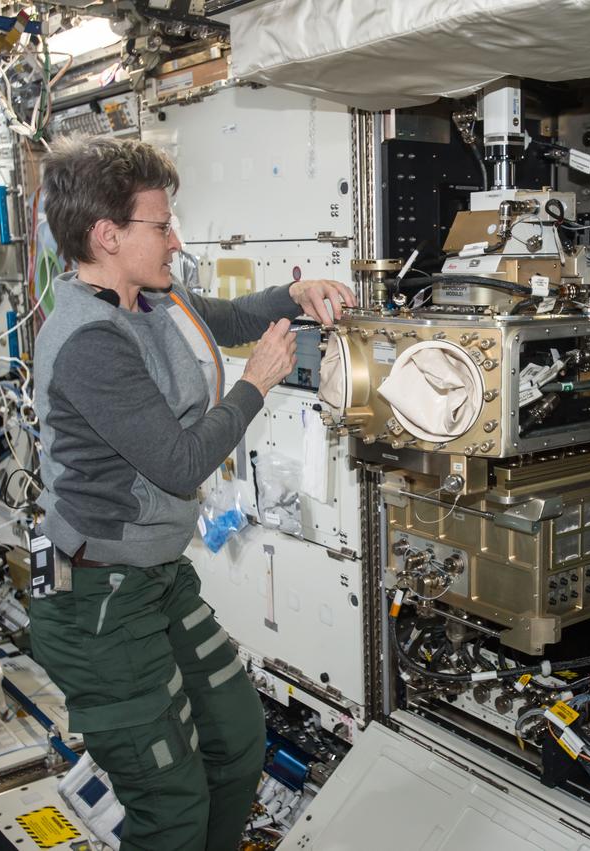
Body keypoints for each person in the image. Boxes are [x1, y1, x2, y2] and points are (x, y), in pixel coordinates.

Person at [28, 136, 355, 851]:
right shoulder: (88, 339)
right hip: (96, 599)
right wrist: (255, 385)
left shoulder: (154, 297)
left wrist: (294, 295)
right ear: (108, 236)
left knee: (237, 743)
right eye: (161, 225)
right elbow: (179, 464)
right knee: (170, 806)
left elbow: (229, 319)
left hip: (157, 576)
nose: (175, 239)